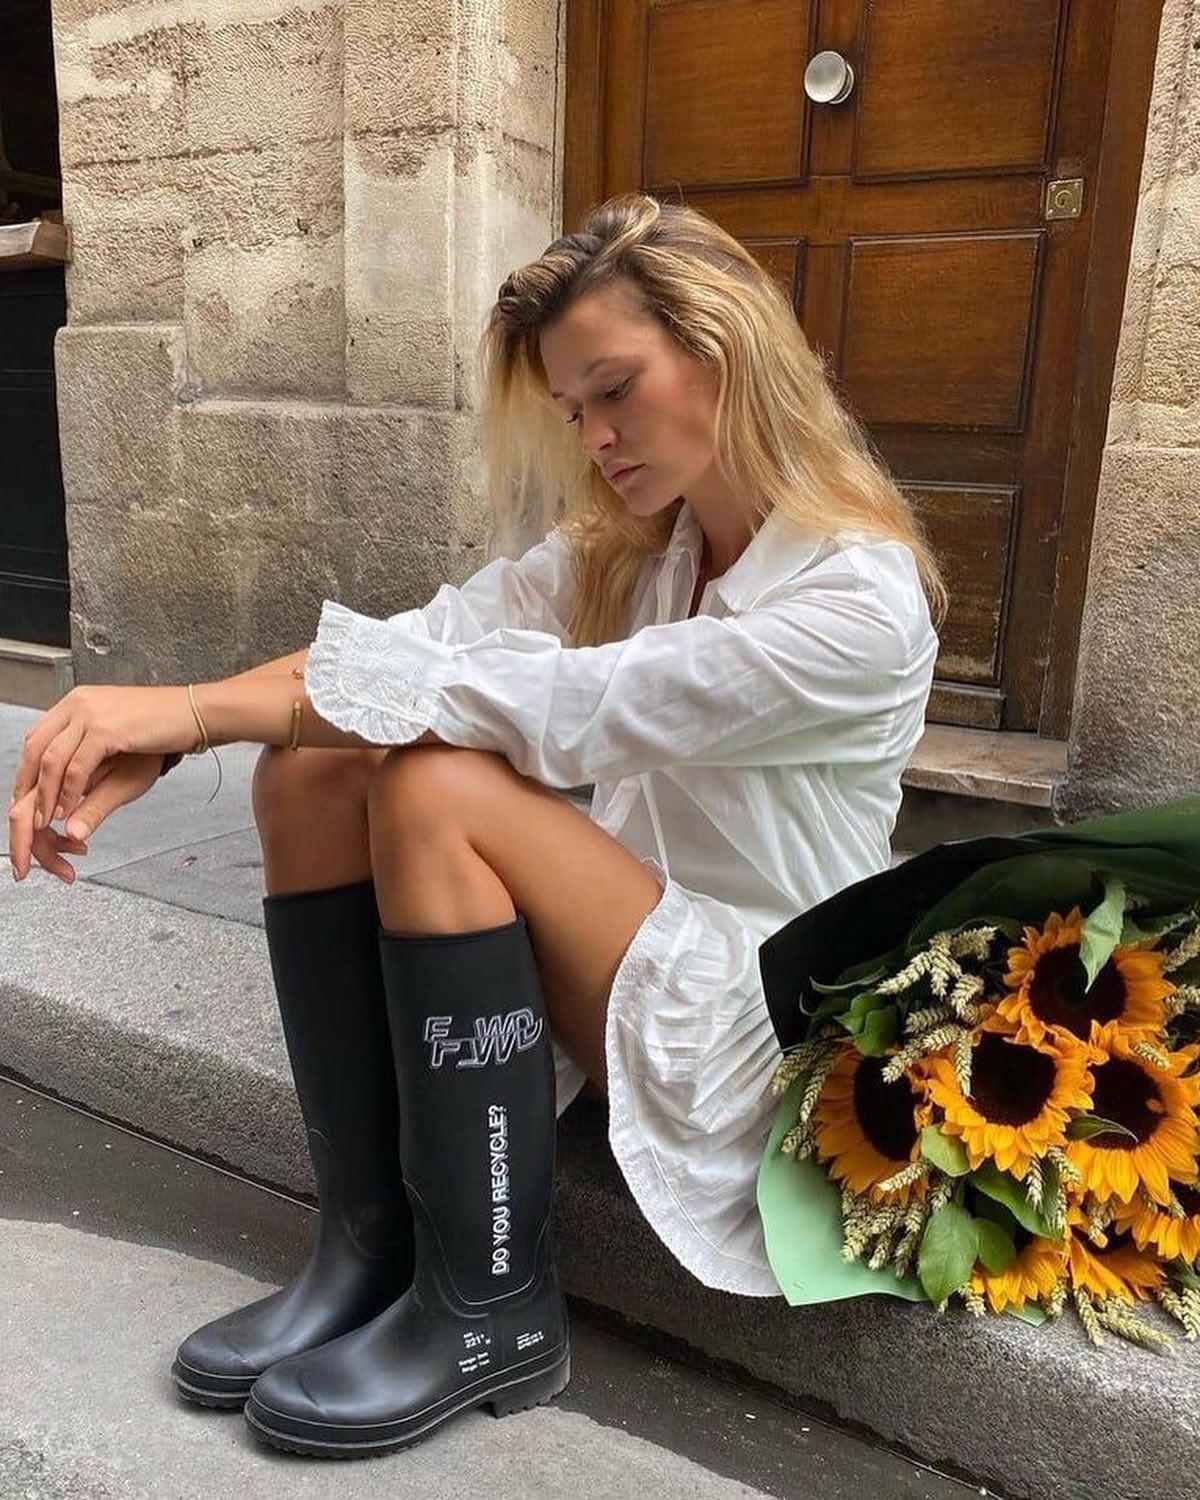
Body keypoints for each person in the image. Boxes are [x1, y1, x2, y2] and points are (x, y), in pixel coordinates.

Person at [7, 192, 948, 1458]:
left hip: (767, 1025)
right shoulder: (640, 548)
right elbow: (417, 647)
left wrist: (188, 711)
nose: (596, 437)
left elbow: (546, 706)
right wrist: (182, 731)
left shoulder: (857, 600)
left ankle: (491, 1306)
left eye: (615, 390)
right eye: (572, 411)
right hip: (626, 961)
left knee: (434, 783)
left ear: (725, 351)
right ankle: (370, 1248)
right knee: (309, 778)